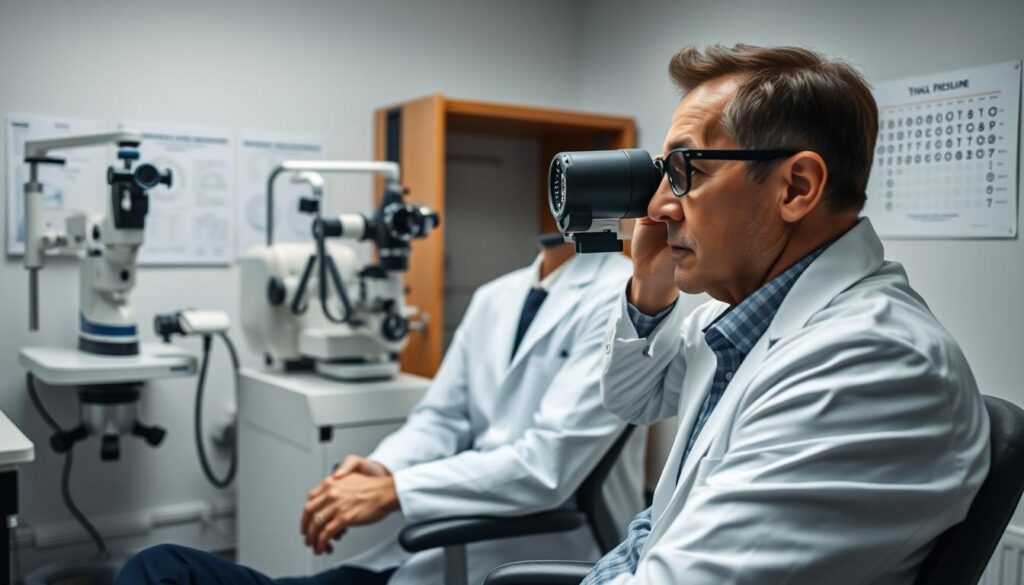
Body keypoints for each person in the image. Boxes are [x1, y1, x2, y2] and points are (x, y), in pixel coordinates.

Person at [582, 44, 990, 584]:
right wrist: (651, 284)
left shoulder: (872, 366)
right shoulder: (741, 318)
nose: (656, 206)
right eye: (665, 172)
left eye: (688, 171)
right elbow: (634, 398)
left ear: (796, 188)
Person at [117, 236, 643, 585]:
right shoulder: (496, 296)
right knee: (159, 566)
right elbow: (443, 416)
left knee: (163, 572)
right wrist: (384, 467)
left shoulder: (624, 301)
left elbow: (544, 468)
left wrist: (395, 492)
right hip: (429, 547)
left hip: (520, 550)